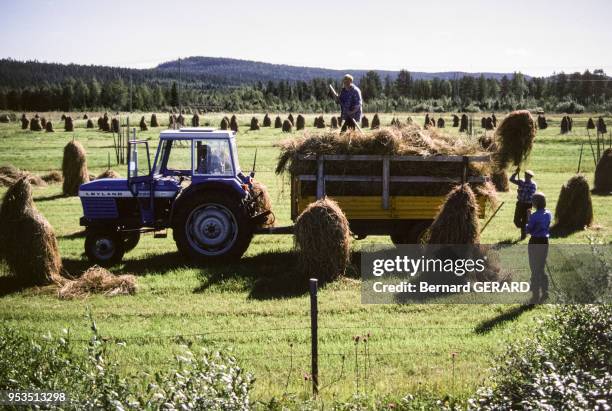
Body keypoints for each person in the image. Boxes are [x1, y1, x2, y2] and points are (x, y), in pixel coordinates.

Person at [526, 192, 551, 303]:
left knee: (534, 266)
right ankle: (545, 291)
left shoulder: (534, 216)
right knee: (541, 265)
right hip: (545, 241)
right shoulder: (548, 213)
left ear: (535, 203)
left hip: (535, 241)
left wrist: (528, 217)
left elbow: (529, 230)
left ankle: (535, 294)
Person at [510, 169, 537, 239]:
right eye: (525, 175)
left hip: (527, 205)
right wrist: (515, 173)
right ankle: (526, 229)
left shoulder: (533, 185)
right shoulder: (521, 181)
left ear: (531, 177)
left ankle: (523, 236)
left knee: (524, 222)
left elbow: (531, 196)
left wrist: (520, 191)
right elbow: (511, 179)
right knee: (516, 221)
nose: (526, 177)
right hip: (519, 204)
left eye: (527, 176)